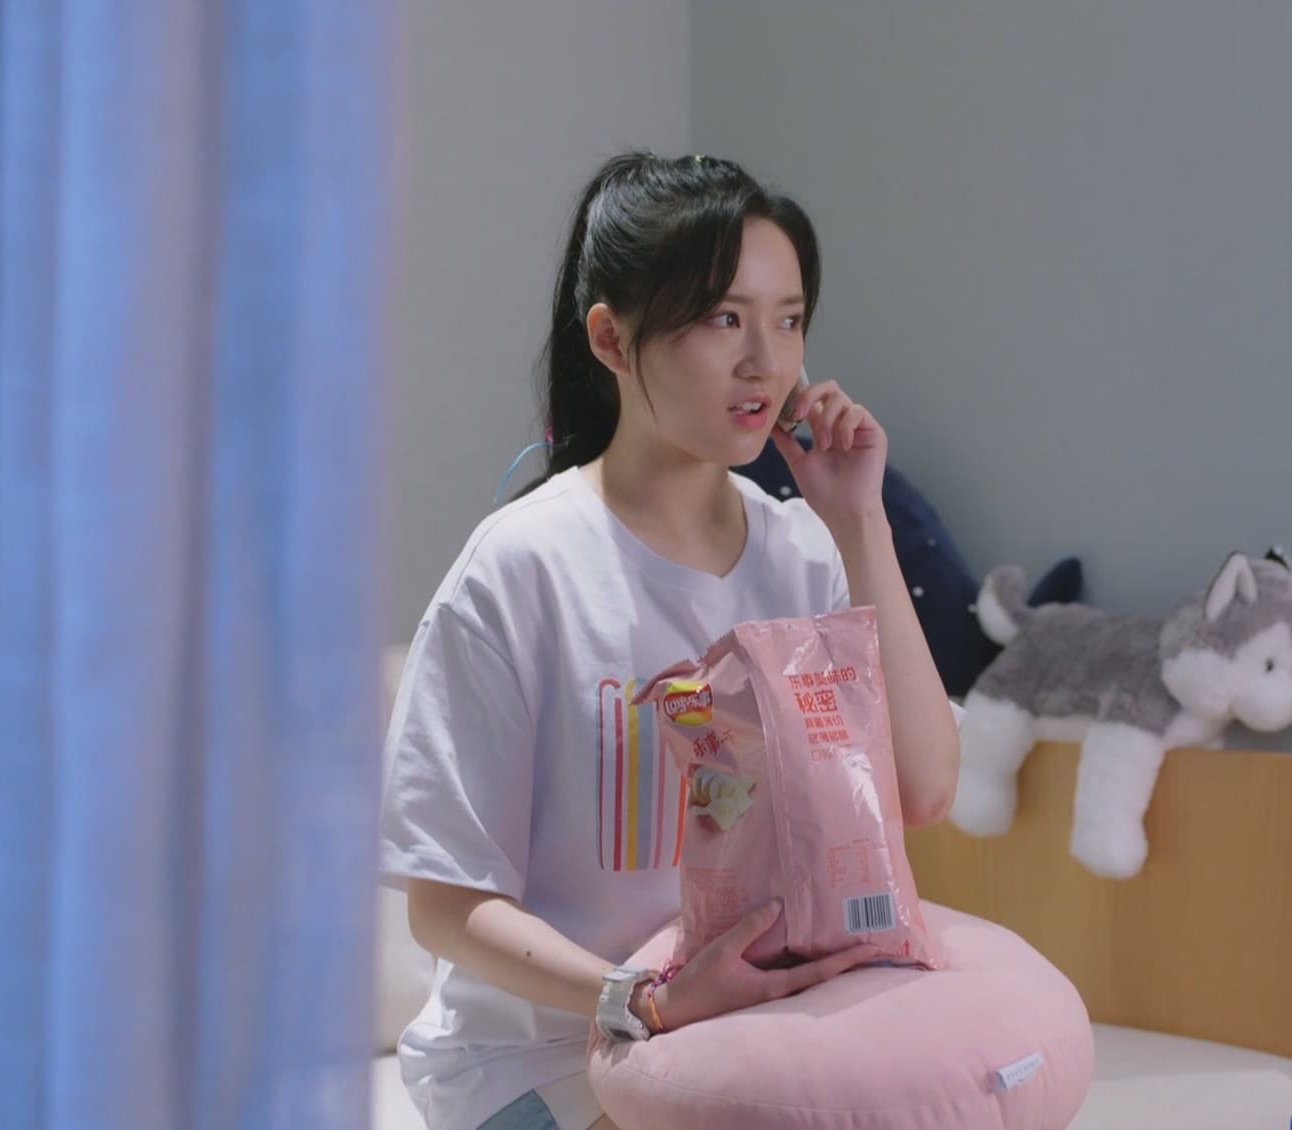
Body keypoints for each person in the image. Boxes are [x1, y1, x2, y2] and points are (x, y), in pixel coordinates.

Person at [378, 152, 961, 1130]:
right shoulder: (522, 568)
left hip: (748, 1035)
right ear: (612, 337)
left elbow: (923, 790)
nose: (765, 361)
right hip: (550, 1055)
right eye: (723, 319)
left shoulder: (803, 552)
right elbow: (443, 906)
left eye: (788, 320)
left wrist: (860, 523)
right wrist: (641, 998)